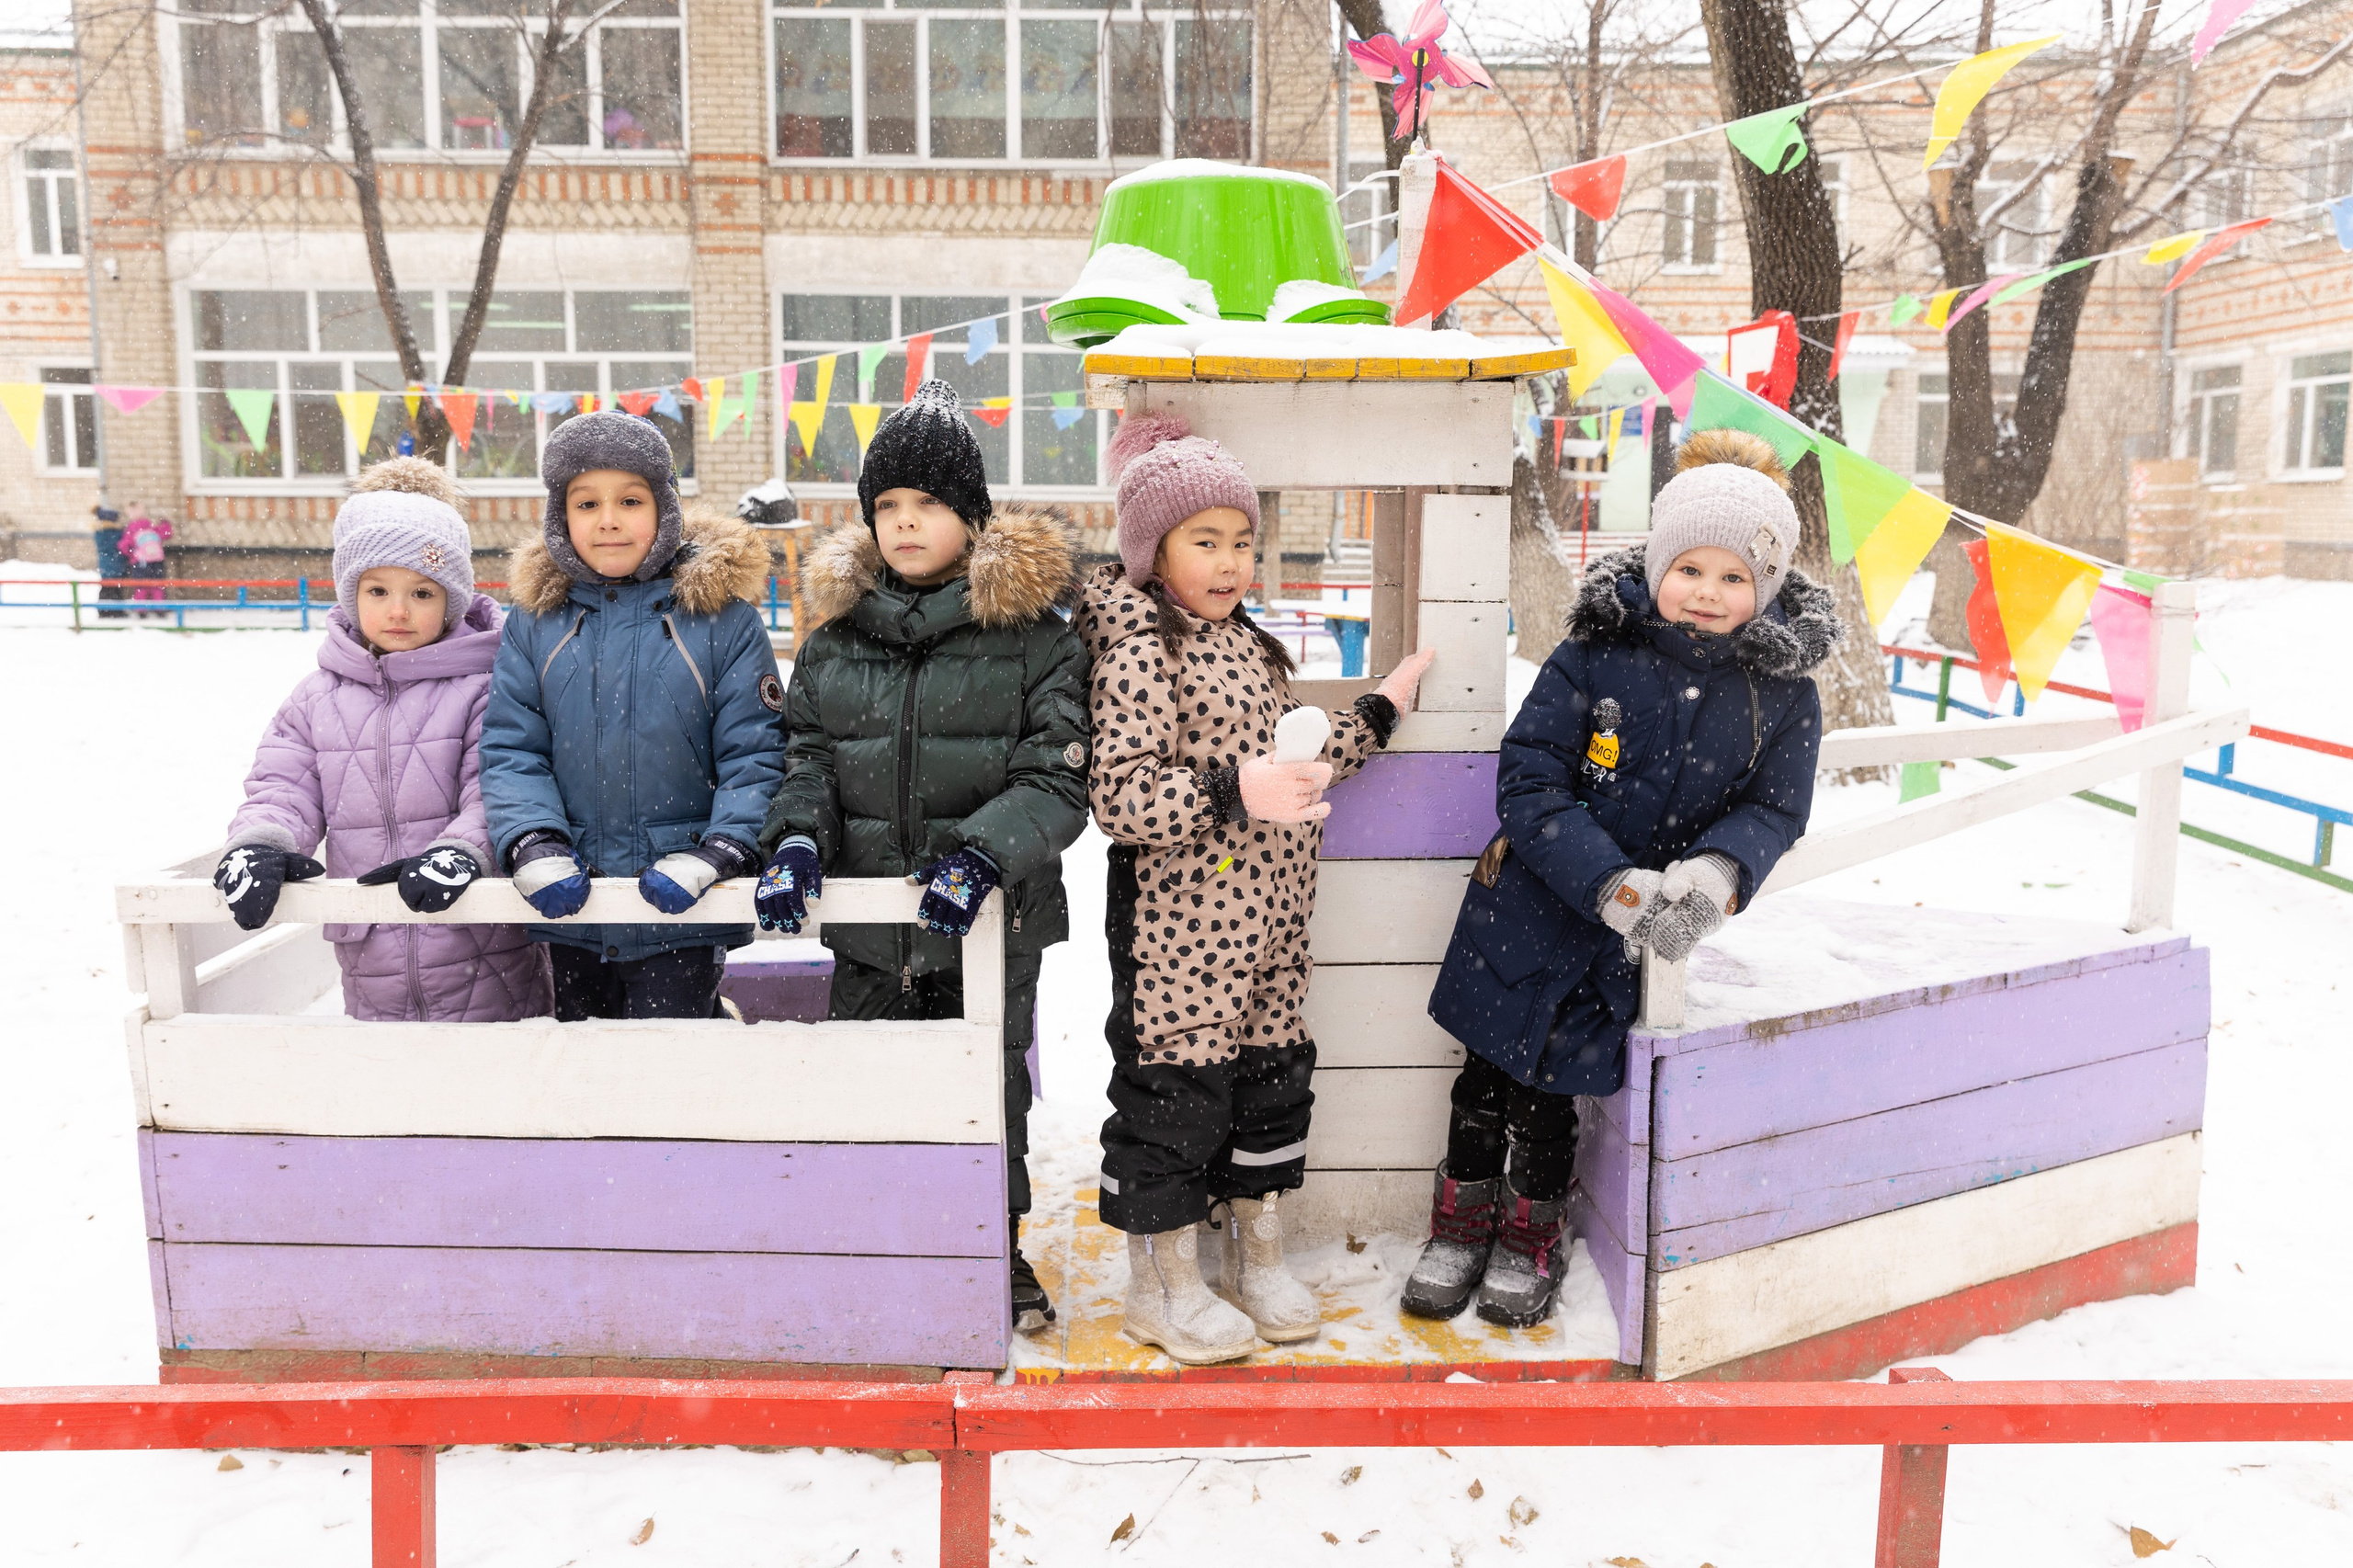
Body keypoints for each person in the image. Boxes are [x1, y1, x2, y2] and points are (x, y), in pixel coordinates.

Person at [1405, 429, 1839, 1329]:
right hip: (1526, 910)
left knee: (1555, 1095)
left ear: (1762, 589)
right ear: (1655, 564)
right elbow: (1529, 776)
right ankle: (1458, 1222)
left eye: (1733, 578)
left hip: (1627, 945)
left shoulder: (1781, 694)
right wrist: (1606, 880)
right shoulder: (1590, 654)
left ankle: (1531, 1233)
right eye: (1691, 569)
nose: (1708, 593)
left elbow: (1773, 809)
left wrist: (1713, 875)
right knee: (1484, 1081)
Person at [1080, 411, 1434, 1365]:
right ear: (1154, 550)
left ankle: (1254, 1252)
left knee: (1270, 1086)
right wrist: (1236, 788)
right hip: (1181, 932)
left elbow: (1293, 754)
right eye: (1206, 541)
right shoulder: (1141, 645)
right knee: (1176, 1099)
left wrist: (1376, 710)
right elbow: (1119, 794)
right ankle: (1161, 1282)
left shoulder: (1249, 642)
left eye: (1243, 540)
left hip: (1272, 922)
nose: (1231, 560)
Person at [754, 381, 1088, 1335]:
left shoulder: (1032, 640)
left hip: (989, 922)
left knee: (985, 1094)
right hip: (870, 930)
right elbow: (809, 760)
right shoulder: (838, 640)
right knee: (875, 1090)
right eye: (888, 508)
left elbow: (1057, 776)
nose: (905, 525)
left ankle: (990, 1246)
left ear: (970, 516)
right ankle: (880, 1249)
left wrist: (981, 857)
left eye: (927, 506)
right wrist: (797, 842)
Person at [212, 458, 551, 1021]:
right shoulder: (316, 699)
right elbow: (282, 786)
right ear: (351, 595)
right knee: (388, 1091)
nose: (398, 610)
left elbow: (500, 792)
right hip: (370, 951)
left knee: (495, 1091)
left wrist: (462, 851)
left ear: (453, 599)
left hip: (480, 941)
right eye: (377, 590)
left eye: (422, 592)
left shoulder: (485, 690)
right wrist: (262, 842)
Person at [482, 410, 785, 1021]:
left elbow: (756, 753)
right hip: (571, 900)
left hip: (682, 903)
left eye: (630, 500)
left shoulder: (720, 619)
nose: (610, 520)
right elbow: (513, 750)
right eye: (587, 504)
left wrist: (719, 850)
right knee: (585, 1083)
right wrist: (535, 840)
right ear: (560, 517)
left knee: (669, 1077)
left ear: (664, 509)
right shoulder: (537, 622)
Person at [121, 504, 171, 619]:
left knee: (141, 587)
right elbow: (166, 533)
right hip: (157, 561)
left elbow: (124, 546)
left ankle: (141, 610)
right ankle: (160, 609)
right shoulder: (151, 526)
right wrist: (166, 523)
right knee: (157, 586)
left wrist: (131, 555)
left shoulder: (131, 528)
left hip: (140, 563)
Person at [91, 504, 129, 620]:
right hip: (113, 565)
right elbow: (114, 546)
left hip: (109, 565)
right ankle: (111, 611)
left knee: (110, 588)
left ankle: (109, 610)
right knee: (111, 589)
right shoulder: (110, 532)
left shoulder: (101, 532)